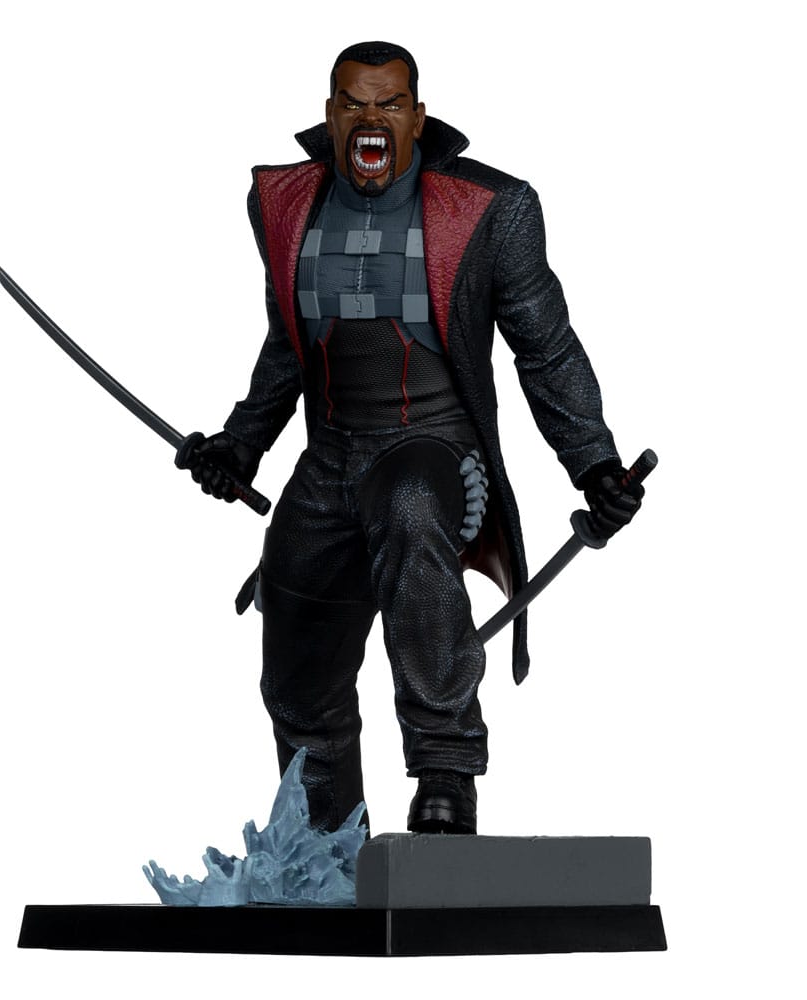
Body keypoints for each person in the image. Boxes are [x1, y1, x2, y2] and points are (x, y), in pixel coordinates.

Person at [181, 41, 643, 835]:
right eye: (355, 103)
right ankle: (324, 834)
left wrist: (594, 463)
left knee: (410, 508)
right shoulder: (285, 204)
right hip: (331, 456)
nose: (372, 117)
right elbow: (289, 344)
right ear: (332, 116)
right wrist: (240, 444)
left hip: (433, 449)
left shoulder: (489, 209)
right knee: (295, 631)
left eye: (389, 103)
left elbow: (545, 347)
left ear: (417, 117)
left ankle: (446, 773)